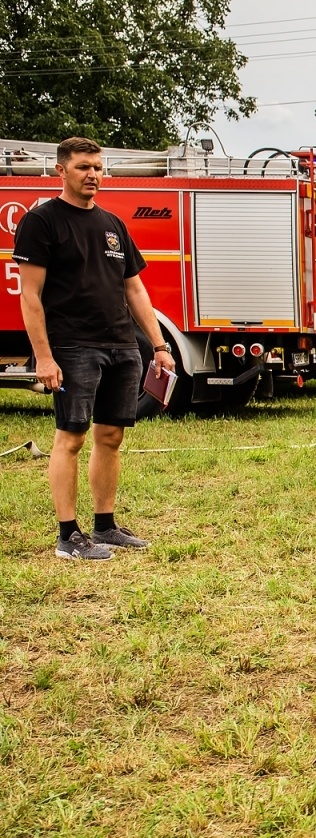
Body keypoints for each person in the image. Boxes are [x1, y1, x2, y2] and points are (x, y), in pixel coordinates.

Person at [14, 136, 176, 561]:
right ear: (61, 170)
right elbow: (29, 296)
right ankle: (68, 536)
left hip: (121, 344)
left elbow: (134, 287)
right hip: (72, 346)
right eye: (84, 167)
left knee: (111, 435)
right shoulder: (42, 222)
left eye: (98, 167)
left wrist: (158, 345)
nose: (93, 175)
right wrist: (44, 357)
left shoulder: (111, 223)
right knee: (71, 437)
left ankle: (105, 527)